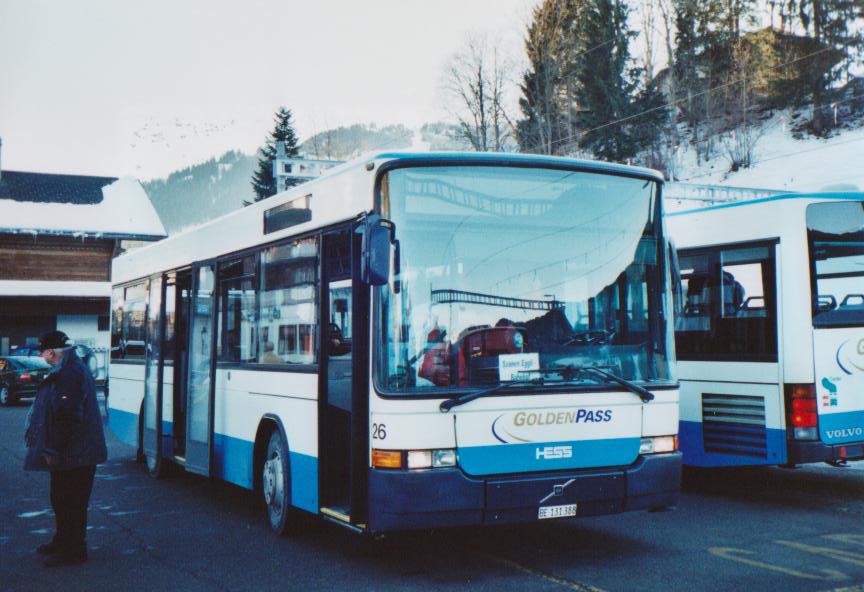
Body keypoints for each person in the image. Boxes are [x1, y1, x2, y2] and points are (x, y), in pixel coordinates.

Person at [24, 331, 107, 567]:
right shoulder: (70, 368)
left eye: (42, 351)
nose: (41, 355)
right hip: (75, 452)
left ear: (51, 352)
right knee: (61, 499)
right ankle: (62, 541)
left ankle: (73, 550)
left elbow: (68, 416)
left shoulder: (69, 373)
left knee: (71, 502)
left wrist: (53, 450)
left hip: (75, 454)